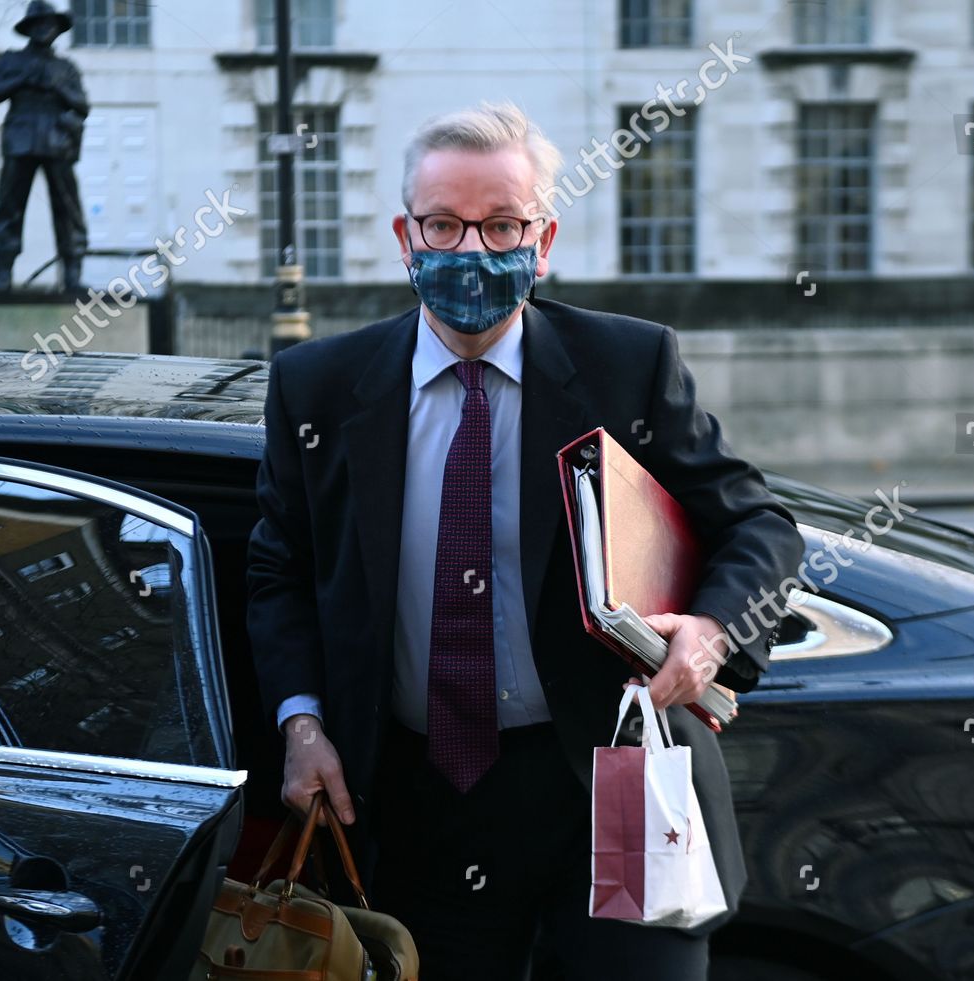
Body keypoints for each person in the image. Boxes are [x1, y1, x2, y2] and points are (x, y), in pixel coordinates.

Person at [245, 101, 805, 979]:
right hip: (412, 800)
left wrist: (711, 630)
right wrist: (301, 720)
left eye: (501, 224)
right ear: (406, 236)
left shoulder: (629, 366)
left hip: (610, 780)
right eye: (444, 225)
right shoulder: (317, 387)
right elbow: (280, 570)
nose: (472, 251)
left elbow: (755, 525)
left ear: (541, 241)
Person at [0, 1, 89, 292]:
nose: (45, 28)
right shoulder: (11, 61)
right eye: (39, 23)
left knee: (68, 208)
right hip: (20, 141)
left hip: (57, 142)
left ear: (57, 29)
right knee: (9, 206)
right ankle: (3, 273)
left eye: (50, 24)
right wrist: (24, 79)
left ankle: (72, 273)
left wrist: (57, 87)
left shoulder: (66, 68)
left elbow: (83, 105)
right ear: (29, 28)